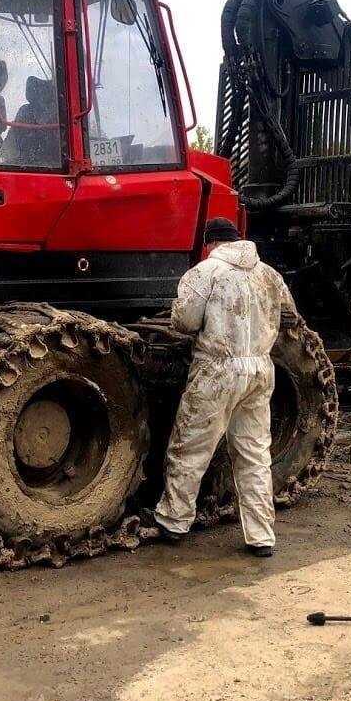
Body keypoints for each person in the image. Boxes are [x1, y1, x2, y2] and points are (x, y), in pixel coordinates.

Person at [144, 217, 296, 558]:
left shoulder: (205, 272)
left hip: (217, 370)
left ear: (209, 243)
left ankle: (173, 521)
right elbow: (289, 316)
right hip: (259, 368)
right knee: (254, 453)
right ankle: (261, 537)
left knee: (192, 446)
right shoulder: (268, 274)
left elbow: (184, 322)